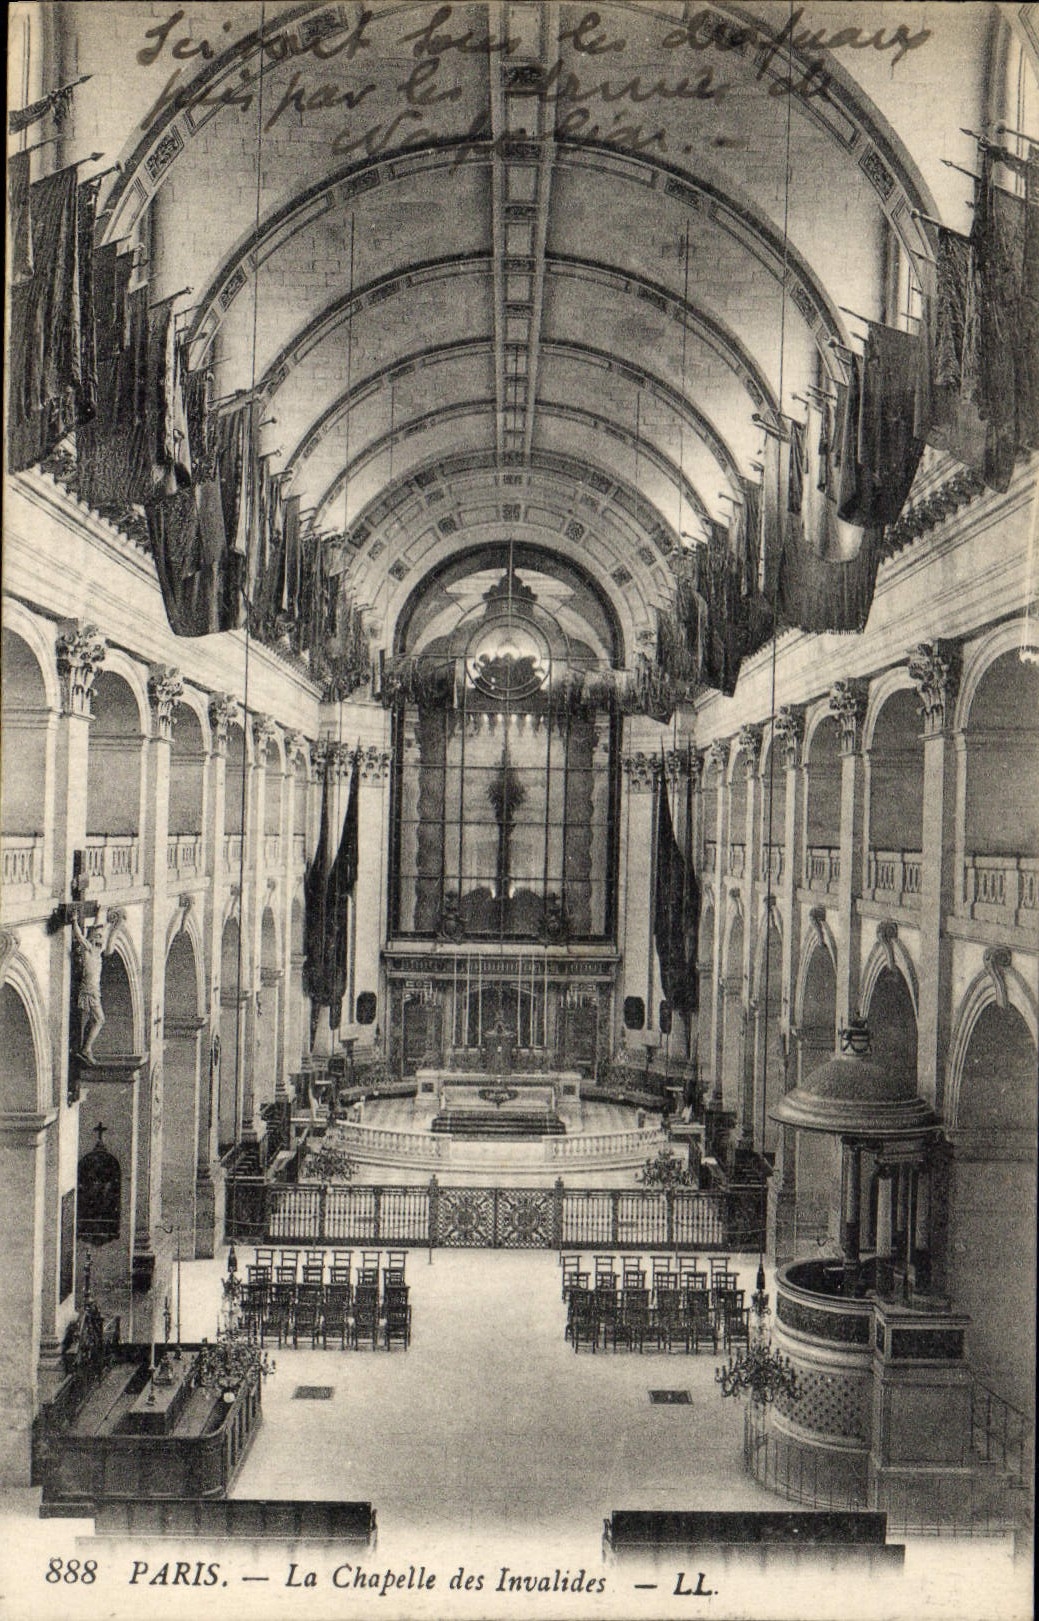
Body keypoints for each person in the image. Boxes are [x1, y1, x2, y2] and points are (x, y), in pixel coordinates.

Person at [71, 910, 114, 1061]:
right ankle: (86, 1048)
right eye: (98, 936)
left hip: (94, 991)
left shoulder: (97, 952)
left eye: (101, 937)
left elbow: (105, 934)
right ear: (93, 938)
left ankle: (86, 1047)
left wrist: (104, 918)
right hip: (89, 991)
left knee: (95, 1019)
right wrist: (75, 921)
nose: (101, 940)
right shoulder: (89, 948)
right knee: (100, 1019)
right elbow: (79, 936)